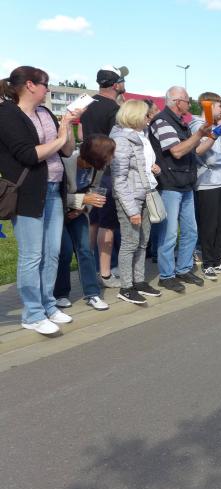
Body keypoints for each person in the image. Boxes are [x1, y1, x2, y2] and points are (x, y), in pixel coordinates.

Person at [0, 66, 81, 334]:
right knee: (32, 255)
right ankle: (32, 313)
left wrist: (67, 127)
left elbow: (67, 150)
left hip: (54, 189)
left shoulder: (45, 113)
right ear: (30, 85)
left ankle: (48, 305)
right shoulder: (7, 114)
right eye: (46, 84)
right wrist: (60, 138)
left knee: (52, 253)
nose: (48, 89)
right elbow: (29, 155)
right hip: (27, 193)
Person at [148, 86, 210, 292]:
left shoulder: (180, 123)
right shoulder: (162, 121)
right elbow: (176, 151)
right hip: (170, 184)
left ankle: (183, 269)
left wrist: (212, 137)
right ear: (177, 102)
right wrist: (199, 133)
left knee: (191, 231)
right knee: (169, 233)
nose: (189, 103)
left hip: (184, 182)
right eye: (187, 100)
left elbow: (193, 150)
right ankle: (166, 275)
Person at [110, 100, 164, 304]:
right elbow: (119, 179)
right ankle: (126, 286)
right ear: (134, 116)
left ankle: (139, 281)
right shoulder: (121, 140)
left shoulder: (141, 136)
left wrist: (154, 169)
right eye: (145, 115)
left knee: (142, 241)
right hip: (130, 199)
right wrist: (131, 210)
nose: (148, 118)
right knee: (130, 243)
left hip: (145, 194)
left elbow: (141, 166)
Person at [55, 134, 114, 311]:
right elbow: (56, 196)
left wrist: (82, 208)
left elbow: (94, 189)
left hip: (78, 212)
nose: (112, 158)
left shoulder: (98, 168)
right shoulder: (66, 163)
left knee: (85, 250)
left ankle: (92, 293)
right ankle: (60, 294)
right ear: (96, 154)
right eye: (109, 153)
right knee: (65, 251)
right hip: (58, 214)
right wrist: (82, 200)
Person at [82, 66, 129, 289]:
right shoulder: (114, 109)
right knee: (107, 224)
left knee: (93, 221)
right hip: (108, 170)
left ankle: (89, 269)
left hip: (89, 169)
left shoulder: (88, 104)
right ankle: (106, 272)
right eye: (123, 80)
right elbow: (117, 143)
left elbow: (83, 135)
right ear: (116, 84)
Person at [190, 92, 221, 280]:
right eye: (220, 106)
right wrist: (215, 138)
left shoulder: (219, 126)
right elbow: (207, 155)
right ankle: (208, 263)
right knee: (208, 225)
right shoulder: (197, 125)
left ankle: (218, 260)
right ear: (208, 106)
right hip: (206, 182)